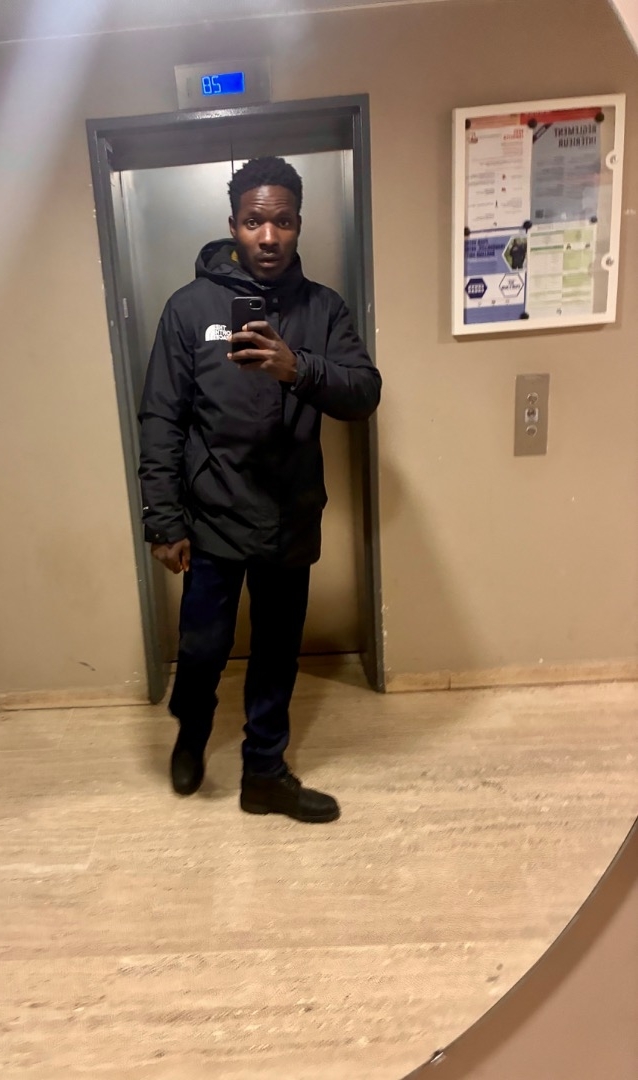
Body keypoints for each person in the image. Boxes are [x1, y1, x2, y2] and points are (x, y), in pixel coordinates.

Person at [138, 156, 381, 823]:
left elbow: (364, 392)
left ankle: (264, 775)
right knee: (202, 648)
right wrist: (164, 519)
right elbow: (162, 416)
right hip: (212, 516)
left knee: (276, 655)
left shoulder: (323, 309)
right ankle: (192, 731)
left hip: (289, 517)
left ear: (298, 225)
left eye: (282, 222)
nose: (268, 237)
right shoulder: (189, 309)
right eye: (253, 221)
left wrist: (296, 367)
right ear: (233, 226)